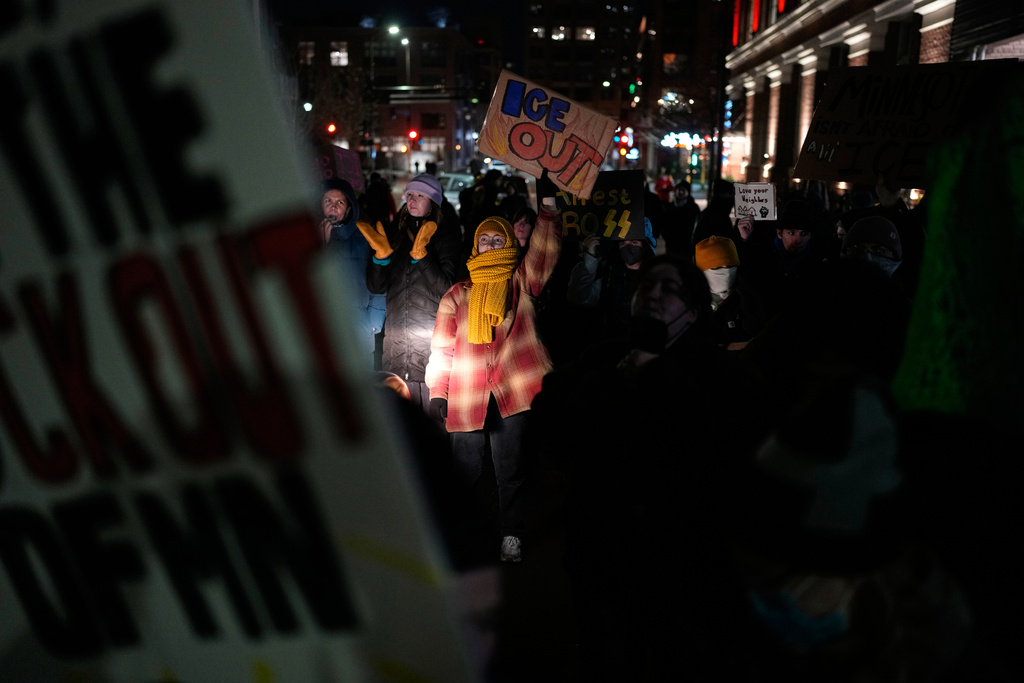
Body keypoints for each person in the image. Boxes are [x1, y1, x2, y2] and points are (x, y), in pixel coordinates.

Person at [529, 253, 767, 680]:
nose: (654, 295)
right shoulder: (601, 360)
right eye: (648, 287)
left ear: (694, 312)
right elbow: (549, 428)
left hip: (681, 557)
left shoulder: (723, 377)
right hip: (602, 548)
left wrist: (656, 381)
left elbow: (718, 453)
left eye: (669, 289)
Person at [424, 176, 561, 563]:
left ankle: (511, 534)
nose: (491, 244)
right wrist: (437, 391)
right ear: (475, 244)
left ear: (508, 244)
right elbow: (442, 348)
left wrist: (548, 207)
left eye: (498, 239)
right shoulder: (457, 294)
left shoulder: (522, 282)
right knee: (463, 474)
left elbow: (544, 252)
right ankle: (464, 535)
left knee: (510, 472)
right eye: (485, 239)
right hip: (466, 395)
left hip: (512, 394)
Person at [360, 173, 462, 411]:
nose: (413, 200)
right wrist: (380, 259)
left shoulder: (446, 236)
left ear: (433, 202)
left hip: (430, 349)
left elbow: (446, 290)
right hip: (395, 346)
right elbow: (377, 286)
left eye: (421, 195)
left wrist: (423, 257)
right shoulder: (396, 234)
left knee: (430, 428)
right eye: (410, 195)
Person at [319, 178, 386, 368]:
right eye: (328, 201)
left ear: (349, 207)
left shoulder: (364, 236)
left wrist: (373, 322)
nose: (333, 207)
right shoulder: (307, 236)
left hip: (359, 330)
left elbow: (379, 281)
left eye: (340, 202)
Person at [566, 217, 656, 344]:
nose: (627, 246)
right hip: (612, 343)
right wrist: (590, 258)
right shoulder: (609, 274)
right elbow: (579, 298)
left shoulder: (657, 277)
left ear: (645, 246)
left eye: (634, 242)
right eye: (622, 243)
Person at [694, 235, 764, 346]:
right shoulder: (692, 300)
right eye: (717, 268)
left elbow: (755, 329)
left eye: (730, 266)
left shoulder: (745, 295)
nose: (726, 272)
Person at [663, 179, 701, 255]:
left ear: (688, 192)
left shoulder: (693, 208)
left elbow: (698, 226)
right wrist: (666, 236)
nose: (680, 192)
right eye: (679, 190)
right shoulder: (670, 206)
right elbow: (664, 223)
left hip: (687, 244)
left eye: (683, 190)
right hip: (671, 243)